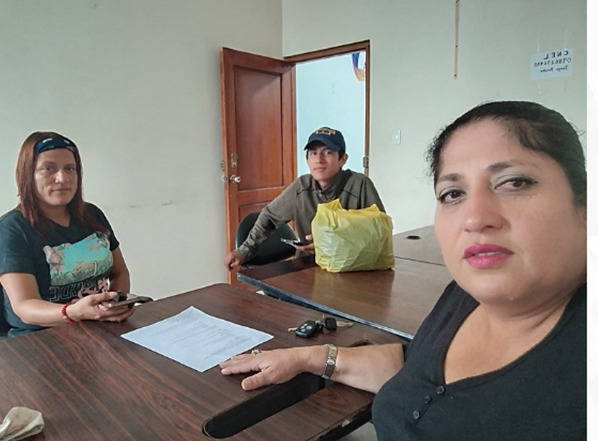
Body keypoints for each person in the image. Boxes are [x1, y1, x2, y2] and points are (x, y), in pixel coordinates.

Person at [220, 101, 586, 440]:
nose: (475, 218)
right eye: (453, 193)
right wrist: (307, 357)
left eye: (514, 182)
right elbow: (415, 363)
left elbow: (378, 229)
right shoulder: (463, 297)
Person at [0, 132, 136, 337]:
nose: (62, 178)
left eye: (70, 169)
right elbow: (24, 307)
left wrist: (115, 305)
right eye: (48, 168)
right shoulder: (11, 229)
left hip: (97, 327)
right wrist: (73, 312)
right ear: (27, 175)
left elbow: (119, 272)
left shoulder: (92, 214)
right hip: (39, 339)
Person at [224, 126, 385, 269]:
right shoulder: (301, 187)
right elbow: (269, 217)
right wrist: (243, 251)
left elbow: (380, 231)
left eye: (328, 152)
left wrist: (333, 241)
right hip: (308, 268)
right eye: (313, 153)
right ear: (307, 160)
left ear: (342, 159)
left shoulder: (359, 185)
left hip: (352, 267)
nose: (319, 160)